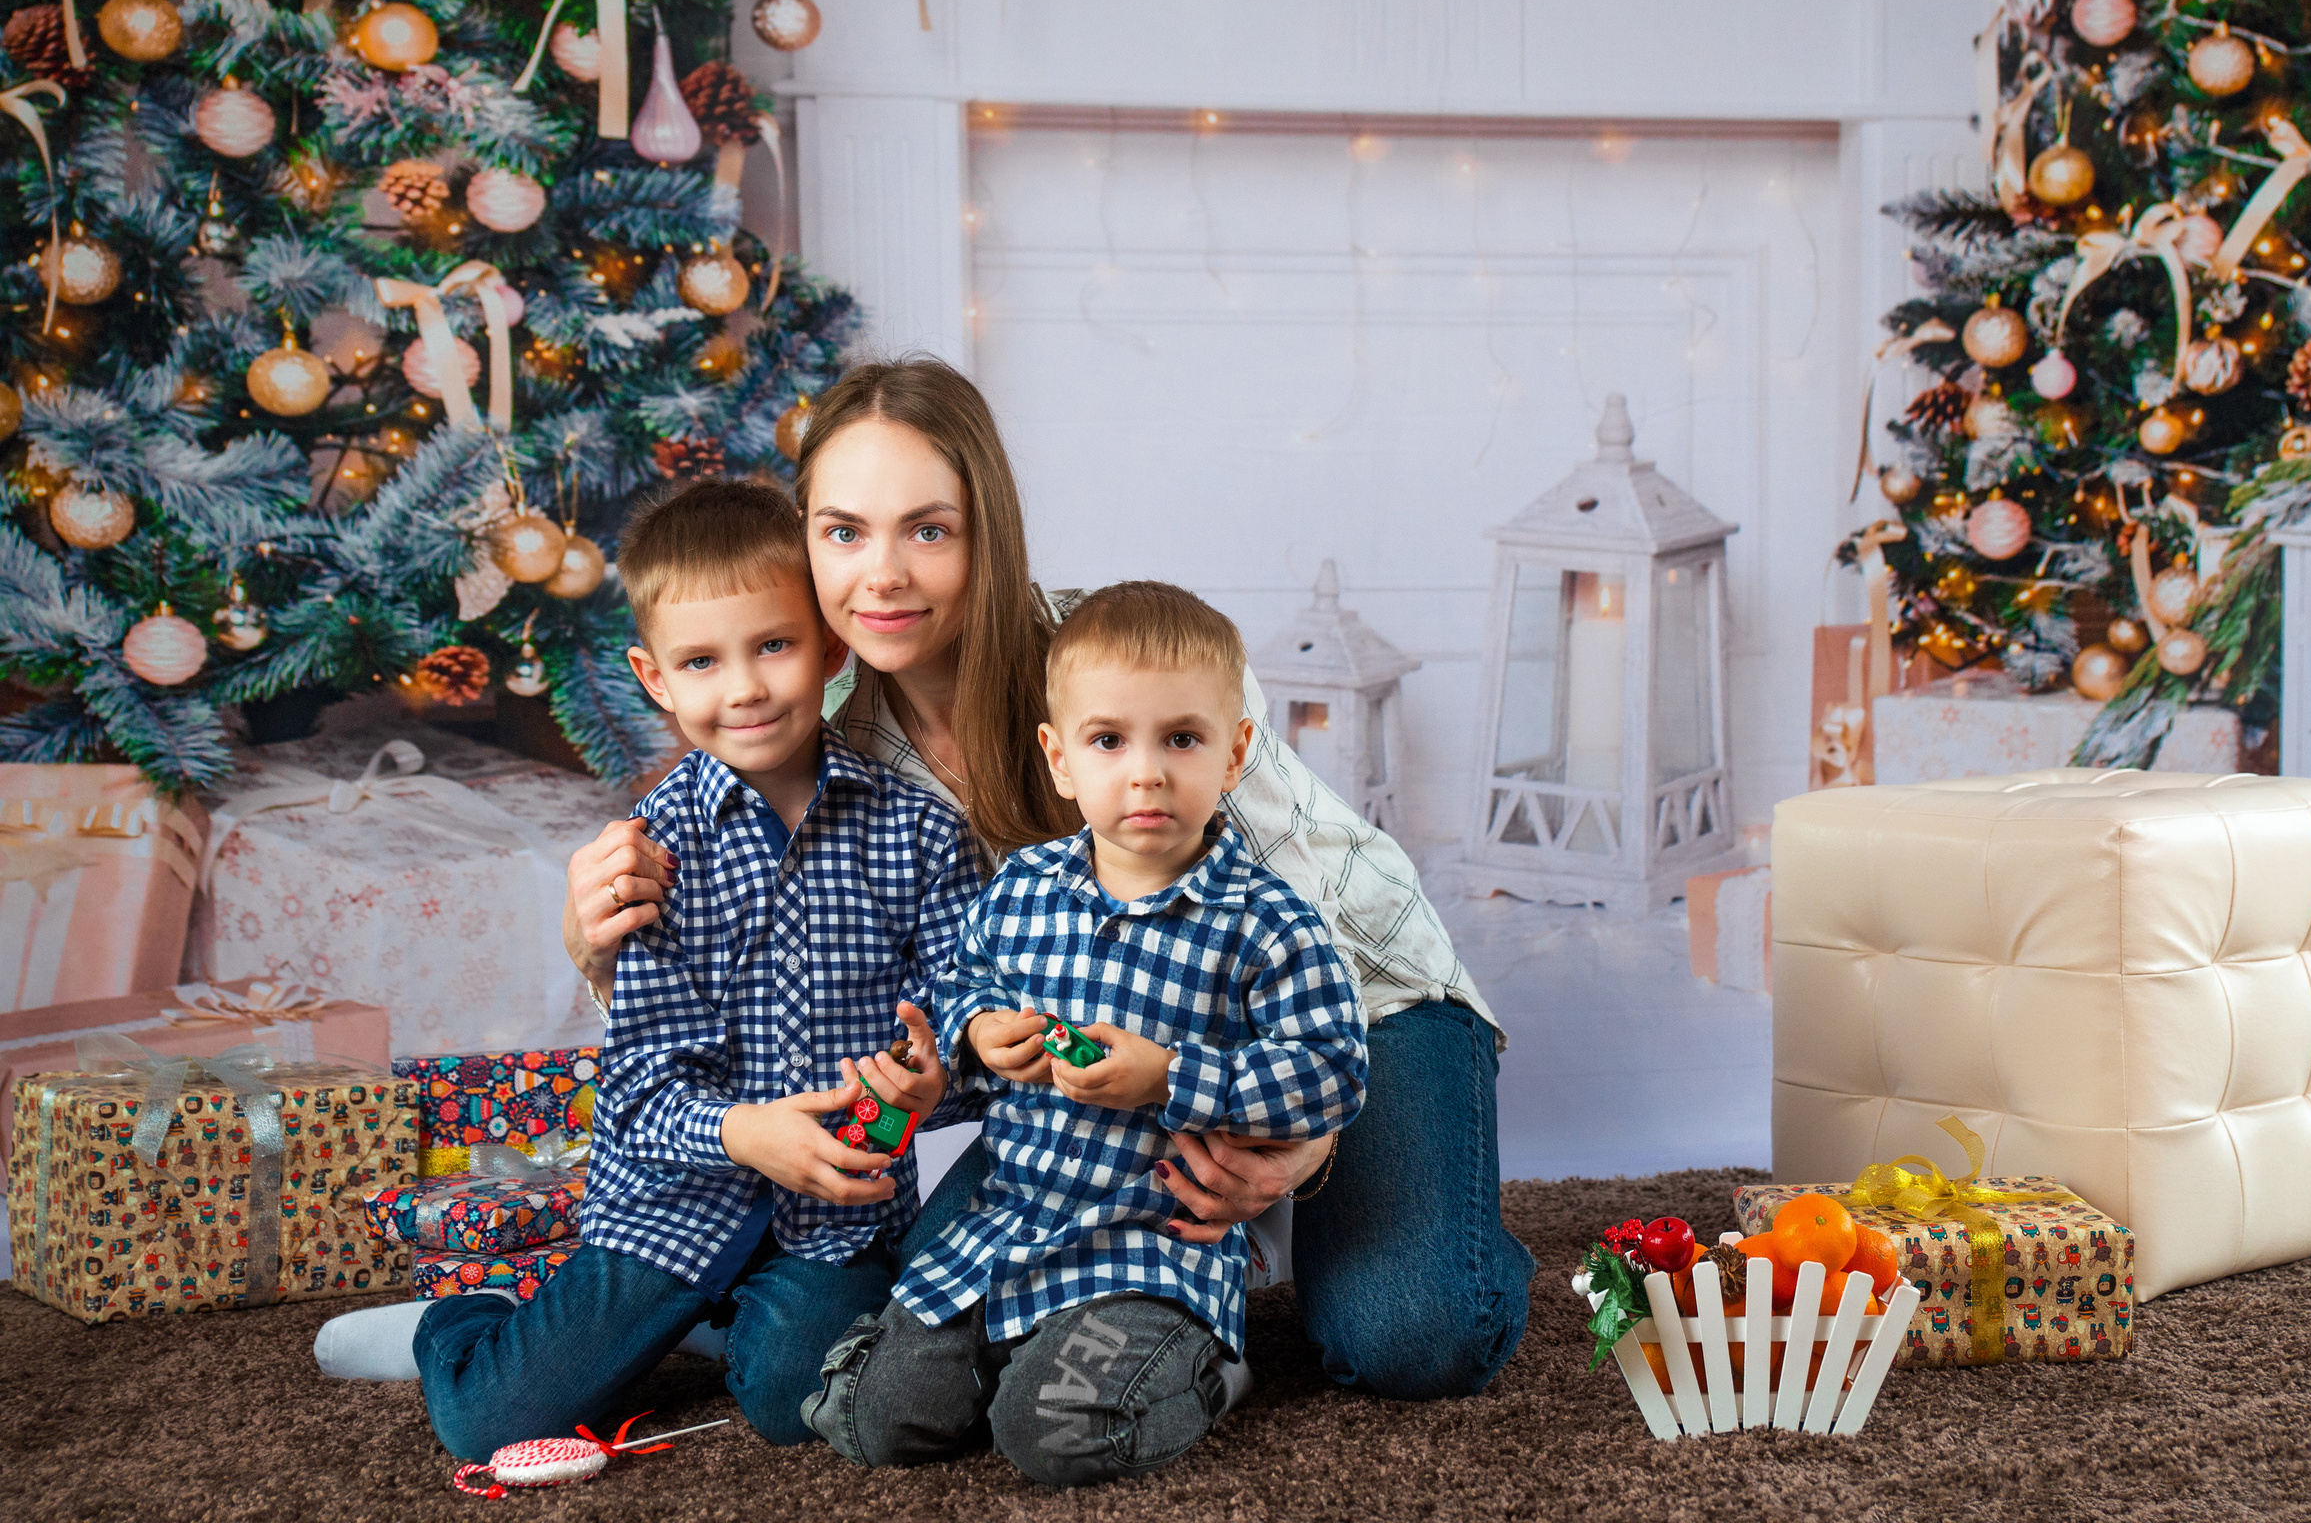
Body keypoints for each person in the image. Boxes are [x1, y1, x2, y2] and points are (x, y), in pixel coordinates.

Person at [567, 357, 1533, 1401]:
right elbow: (787, 984)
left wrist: (1302, 1144)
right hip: (1101, 1088)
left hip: (1355, 1006)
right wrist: (597, 948)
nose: (881, 575)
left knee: (1410, 1333)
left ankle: (1432, 1224)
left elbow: (1308, 920)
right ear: (805, 541)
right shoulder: (832, 756)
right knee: (925, 1317)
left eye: (926, 529)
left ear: (986, 530)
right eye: (845, 532)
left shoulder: (1123, 654)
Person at [383, 478, 981, 1463]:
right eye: (701, 660)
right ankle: (483, 1307)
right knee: (485, 1423)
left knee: (797, 1400)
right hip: (669, 1204)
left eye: (773, 646)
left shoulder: (915, 831)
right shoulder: (647, 853)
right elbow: (640, 1092)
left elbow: (962, 1008)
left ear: (831, 647)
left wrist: (935, 1076)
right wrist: (744, 1131)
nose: (742, 687)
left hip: (832, 1212)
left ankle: (731, 1323)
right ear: (654, 677)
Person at [801, 582, 1368, 1486]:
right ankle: (1004, 1361)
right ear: (1060, 759)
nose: (1146, 772)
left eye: (1182, 739)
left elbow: (1331, 1072)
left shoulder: (1265, 922)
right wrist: (975, 1042)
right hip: (1011, 1226)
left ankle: (1210, 1369)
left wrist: (1174, 1078)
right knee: (876, 1419)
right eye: (1110, 741)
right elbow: (960, 996)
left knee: (1054, 1435)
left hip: (1148, 1246)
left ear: (1235, 753)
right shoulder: (1022, 890)